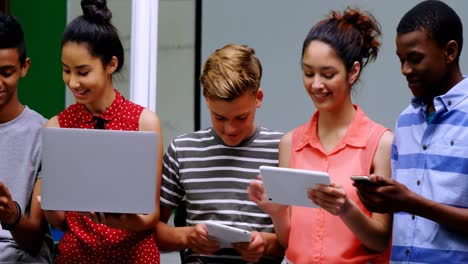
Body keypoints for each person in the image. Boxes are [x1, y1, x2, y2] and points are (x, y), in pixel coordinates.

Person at [248, 7, 394, 264]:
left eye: (328, 74)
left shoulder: (380, 142)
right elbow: (286, 242)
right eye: (308, 73)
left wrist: (346, 209)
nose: (316, 84)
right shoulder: (290, 144)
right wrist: (277, 211)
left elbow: (381, 240)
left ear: (353, 72)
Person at [41, 0, 163, 263]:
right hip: (77, 256)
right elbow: (59, 220)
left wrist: (121, 220)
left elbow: (150, 216)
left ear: (111, 65)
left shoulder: (144, 123)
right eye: (66, 70)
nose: (73, 82)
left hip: (134, 255)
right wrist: (50, 201)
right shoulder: (57, 126)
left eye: (83, 72)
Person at [354, 1, 468, 263]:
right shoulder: (405, 121)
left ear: (450, 51)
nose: (404, 70)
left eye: (415, 59)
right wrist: (381, 200)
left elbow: (411, 204)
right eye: (401, 59)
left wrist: (411, 203)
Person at [155, 43, 284, 263]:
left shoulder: (282, 149)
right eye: (219, 118)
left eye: (241, 117)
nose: (230, 129)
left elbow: (298, 238)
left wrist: (265, 243)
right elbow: (151, 230)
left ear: (258, 98)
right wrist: (187, 236)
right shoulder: (183, 150)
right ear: (206, 100)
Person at [0, 12, 52, 263]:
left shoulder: (44, 134)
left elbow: (34, 238)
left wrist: (12, 216)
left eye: (6, 72)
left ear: (24, 67)